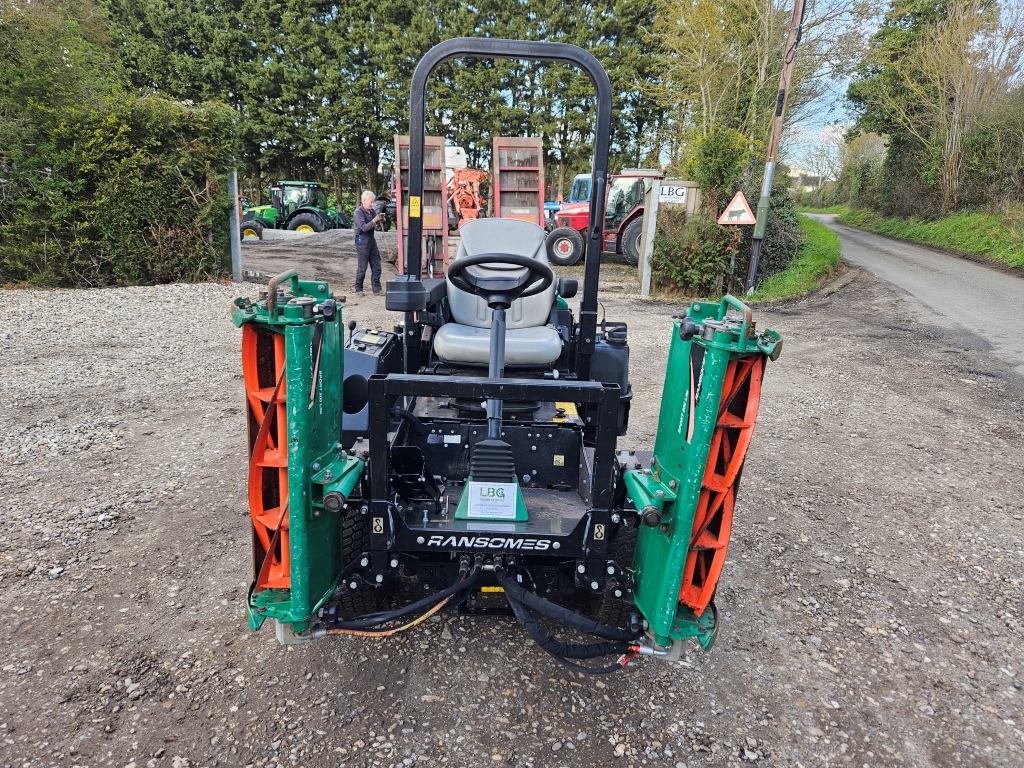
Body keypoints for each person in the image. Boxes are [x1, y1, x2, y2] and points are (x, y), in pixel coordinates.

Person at [353, 190, 385, 294]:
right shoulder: (358, 212)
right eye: (371, 202)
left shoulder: (372, 212)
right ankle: (359, 289)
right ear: (364, 201)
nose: (373, 204)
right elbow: (364, 227)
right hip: (361, 239)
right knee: (362, 266)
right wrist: (375, 220)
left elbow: (375, 225)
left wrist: (382, 220)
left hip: (371, 239)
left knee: (376, 264)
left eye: (373, 202)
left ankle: (377, 288)